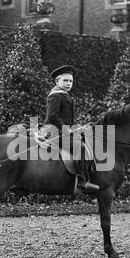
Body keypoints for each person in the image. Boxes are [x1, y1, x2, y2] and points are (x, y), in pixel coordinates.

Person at [45, 65, 99, 193]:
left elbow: (67, 118)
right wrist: (65, 129)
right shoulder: (55, 96)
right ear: (57, 81)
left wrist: (78, 127)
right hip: (54, 132)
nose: (68, 83)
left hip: (63, 131)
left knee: (88, 141)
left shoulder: (65, 96)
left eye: (71, 81)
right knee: (79, 147)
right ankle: (81, 181)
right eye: (65, 80)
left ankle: (91, 175)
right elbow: (52, 116)